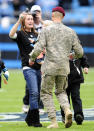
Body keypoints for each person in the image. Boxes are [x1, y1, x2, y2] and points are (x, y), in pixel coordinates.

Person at [29, 6, 84, 128]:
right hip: (64, 67)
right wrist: (71, 55)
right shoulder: (70, 31)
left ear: (53, 16)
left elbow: (38, 47)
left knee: (46, 93)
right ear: (63, 16)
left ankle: (54, 121)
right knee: (61, 91)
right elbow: (80, 52)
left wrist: (32, 58)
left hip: (49, 67)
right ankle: (67, 110)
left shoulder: (46, 30)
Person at [9, 12, 42, 127]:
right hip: (28, 68)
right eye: (28, 19)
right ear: (24, 22)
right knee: (34, 92)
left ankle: (29, 118)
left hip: (40, 68)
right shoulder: (20, 34)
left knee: (37, 95)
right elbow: (11, 34)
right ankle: (35, 120)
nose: (30, 21)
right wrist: (18, 21)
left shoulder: (38, 34)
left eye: (32, 19)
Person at [22, 5, 45, 114]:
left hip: (42, 58)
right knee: (31, 85)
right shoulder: (28, 26)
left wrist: (41, 20)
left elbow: (51, 29)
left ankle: (39, 106)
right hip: (31, 58)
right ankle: (27, 103)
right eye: (34, 13)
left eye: (38, 12)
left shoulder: (43, 25)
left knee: (41, 83)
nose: (35, 15)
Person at [61, 53, 89, 125]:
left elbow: (82, 56)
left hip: (75, 77)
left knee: (76, 96)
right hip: (63, 77)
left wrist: (85, 66)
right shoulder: (60, 45)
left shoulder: (76, 45)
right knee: (64, 98)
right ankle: (65, 116)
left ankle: (78, 116)